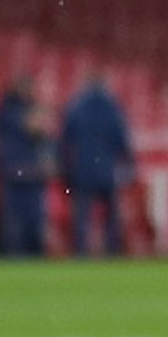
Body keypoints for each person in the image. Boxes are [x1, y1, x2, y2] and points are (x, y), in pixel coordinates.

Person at [59, 77, 135, 258]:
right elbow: (123, 142)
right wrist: (130, 168)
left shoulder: (75, 108)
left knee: (82, 218)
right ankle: (111, 253)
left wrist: (65, 171)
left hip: (83, 171)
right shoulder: (113, 109)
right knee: (111, 217)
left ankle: (81, 254)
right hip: (107, 171)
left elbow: (64, 142)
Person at [0, 77, 49, 260]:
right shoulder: (8, 112)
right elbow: (33, 126)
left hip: (31, 173)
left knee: (34, 223)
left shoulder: (15, 111)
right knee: (15, 224)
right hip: (16, 172)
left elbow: (41, 132)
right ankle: (14, 260)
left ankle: (33, 259)